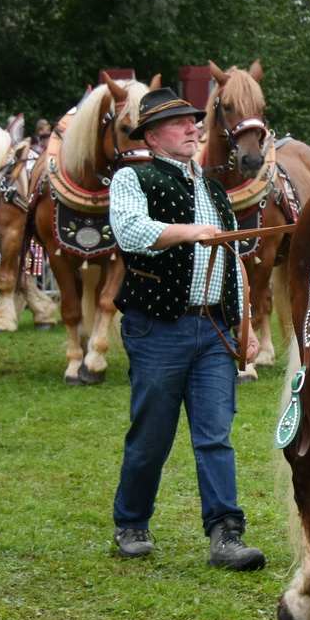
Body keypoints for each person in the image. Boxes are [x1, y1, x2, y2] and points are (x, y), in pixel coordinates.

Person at [108, 88, 264, 570]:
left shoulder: (215, 190)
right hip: (157, 328)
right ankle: (131, 521)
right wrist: (190, 232)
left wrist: (246, 325)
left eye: (195, 121)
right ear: (153, 136)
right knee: (151, 435)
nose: (194, 128)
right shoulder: (133, 178)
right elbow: (131, 231)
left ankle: (226, 535)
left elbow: (234, 259)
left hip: (214, 329)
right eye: (180, 124)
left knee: (215, 435)